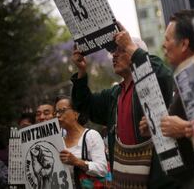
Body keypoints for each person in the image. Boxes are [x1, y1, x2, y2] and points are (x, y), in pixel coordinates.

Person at [71, 23, 177, 188]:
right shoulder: (114, 95)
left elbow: (163, 76)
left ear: (134, 52)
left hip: (158, 180)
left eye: (120, 50)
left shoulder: (150, 83)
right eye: (113, 52)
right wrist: (81, 71)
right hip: (125, 181)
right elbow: (83, 106)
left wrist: (129, 46)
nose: (114, 55)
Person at [140, 10, 194, 188]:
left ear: (184, 44)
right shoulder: (183, 78)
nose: (164, 45)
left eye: (167, 39)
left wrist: (185, 129)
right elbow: (177, 122)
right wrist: (156, 127)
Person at [55, 96, 107, 186]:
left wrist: (77, 162)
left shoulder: (91, 136)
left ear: (76, 113)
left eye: (62, 111)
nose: (57, 115)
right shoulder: (58, 142)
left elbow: (102, 169)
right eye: (56, 112)